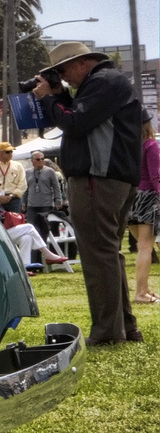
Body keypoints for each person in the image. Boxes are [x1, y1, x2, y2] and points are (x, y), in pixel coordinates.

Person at [30, 40, 146, 344]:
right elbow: (84, 117)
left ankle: (109, 333)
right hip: (113, 179)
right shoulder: (108, 82)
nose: (63, 76)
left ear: (84, 63)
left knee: (98, 255)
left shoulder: (103, 82)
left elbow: (75, 122)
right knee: (108, 253)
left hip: (97, 179)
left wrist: (47, 100)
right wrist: (61, 96)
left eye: (64, 69)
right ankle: (124, 327)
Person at [130, 119, 160, 306]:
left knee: (142, 247)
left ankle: (145, 288)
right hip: (148, 197)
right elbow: (156, 174)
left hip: (131, 196)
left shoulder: (129, 146)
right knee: (145, 247)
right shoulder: (151, 145)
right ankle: (141, 292)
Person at [23, 150, 66, 243]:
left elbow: (56, 187)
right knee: (31, 227)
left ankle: (46, 246)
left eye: (42, 159)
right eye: (38, 159)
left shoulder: (50, 171)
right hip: (32, 204)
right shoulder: (28, 172)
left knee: (45, 227)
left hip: (46, 203)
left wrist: (58, 200)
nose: (40, 161)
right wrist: (23, 202)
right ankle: (34, 251)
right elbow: (25, 188)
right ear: (32, 160)